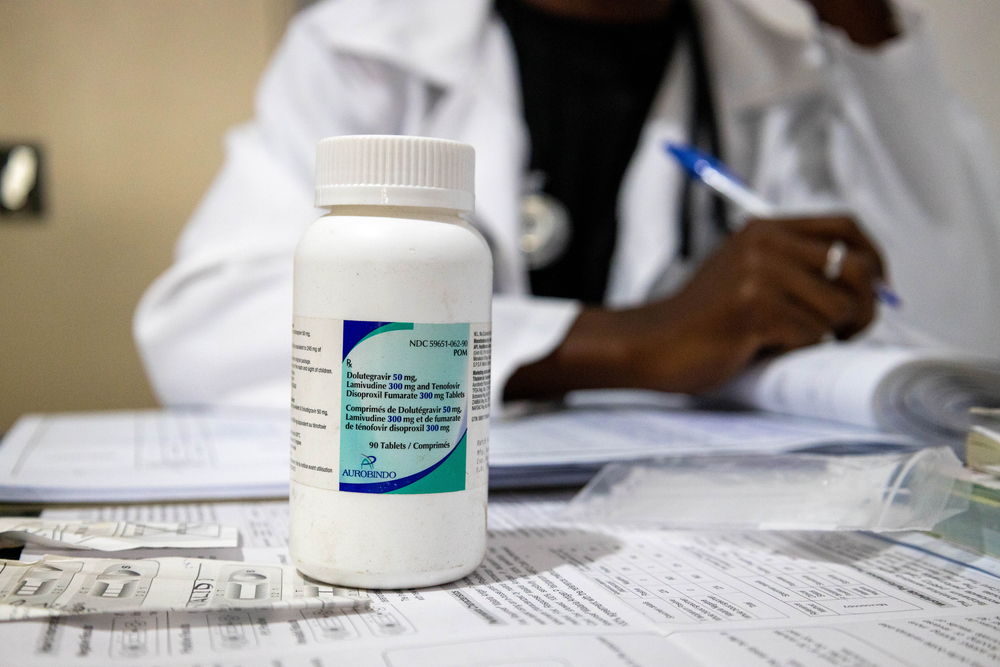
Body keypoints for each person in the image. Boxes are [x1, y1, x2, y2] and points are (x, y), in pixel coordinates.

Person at [135, 0, 1000, 414]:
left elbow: (953, 337)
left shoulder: (793, 68)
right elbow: (205, 327)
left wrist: (870, 30)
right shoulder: (367, 43)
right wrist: (635, 342)